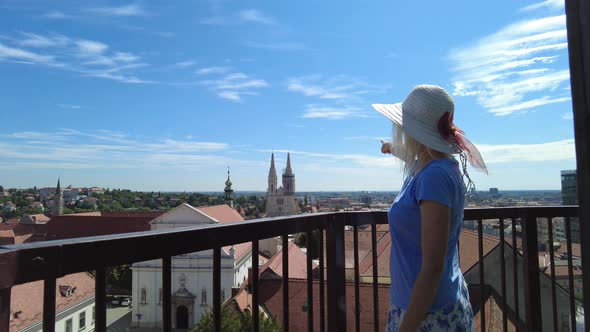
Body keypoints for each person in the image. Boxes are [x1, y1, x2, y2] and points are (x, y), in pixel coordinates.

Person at [372, 85, 487, 332]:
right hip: (427, 306)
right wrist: (391, 147)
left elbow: (432, 267)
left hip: (428, 315)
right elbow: (414, 158)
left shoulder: (433, 175)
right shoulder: (434, 167)